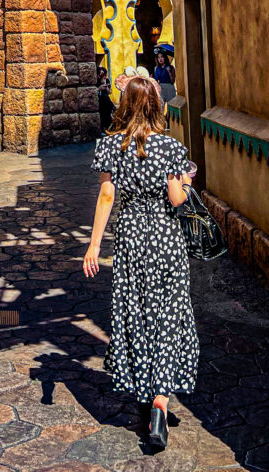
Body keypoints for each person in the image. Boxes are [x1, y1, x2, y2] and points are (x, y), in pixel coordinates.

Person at [83, 77, 198, 450]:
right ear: (156, 105)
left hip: (131, 239)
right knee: (167, 315)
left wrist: (94, 247)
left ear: (124, 106)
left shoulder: (109, 147)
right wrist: (187, 182)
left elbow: (106, 197)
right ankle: (161, 405)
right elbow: (177, 199)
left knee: (136, 313)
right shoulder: (171, 148)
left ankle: (144, 392)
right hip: (165, 240)